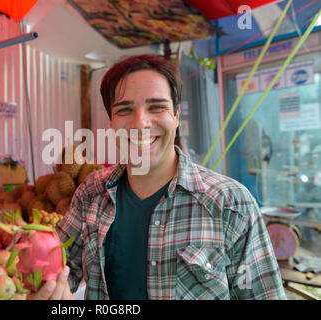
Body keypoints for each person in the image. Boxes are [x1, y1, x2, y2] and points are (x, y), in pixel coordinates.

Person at [31, 54, 286, 300]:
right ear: (111, 122)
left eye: (157, 107)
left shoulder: (230, 203)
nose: (140, 123)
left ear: (176, 116)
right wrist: (46, 288)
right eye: (124, 109)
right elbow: (59, 266)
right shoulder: (91, 193)